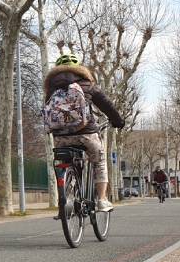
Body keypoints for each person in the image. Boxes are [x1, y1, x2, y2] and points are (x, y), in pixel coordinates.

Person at [45, 54, 125, 212]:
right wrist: (118, 121)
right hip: (86, 134)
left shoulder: (51, 89)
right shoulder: (87, 84)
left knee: (65, 163)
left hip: (60, 138)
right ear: (79, 69)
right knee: (99, 161)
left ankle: (67, 194)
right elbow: (106, 105)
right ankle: (102, 199)